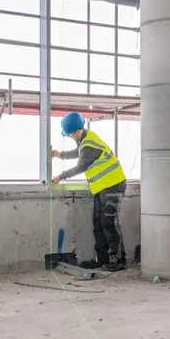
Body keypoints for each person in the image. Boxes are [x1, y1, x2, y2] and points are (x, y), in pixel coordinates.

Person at [51, 112, 128, 272]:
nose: (69, 137)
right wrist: (60, 155)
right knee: (98, 222)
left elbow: (80, 167)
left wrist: (61, 176)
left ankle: (119, 260)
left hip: (113, 185)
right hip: (101, 187)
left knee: (109, 222)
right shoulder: (85, 140)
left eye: (70, 134)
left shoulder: (88, 145)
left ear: (77, 131)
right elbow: (78, 152)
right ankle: (102, 260)